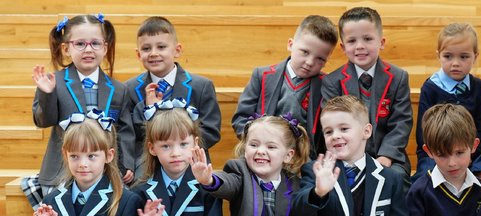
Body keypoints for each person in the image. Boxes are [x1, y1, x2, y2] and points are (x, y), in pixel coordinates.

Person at [24, 13, 135, 209]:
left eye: (95, 43)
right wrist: (47, 94)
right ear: (66, 48)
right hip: (63, 169)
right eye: (80, 44)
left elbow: (126, 131)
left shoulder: (119, 89)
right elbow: (42, 120)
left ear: (105, 47)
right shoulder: (52, 82)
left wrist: (127, 163)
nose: (88, 49)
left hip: (105, 169)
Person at [321, 7, 413, 185]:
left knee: (394, 178)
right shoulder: (332, 82)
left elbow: (401, 123)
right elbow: (332, 124)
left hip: (387, 157)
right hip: (346, 156)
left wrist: (386, 156)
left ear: (381, 42)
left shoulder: (398, 77)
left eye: (368, 39)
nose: (360, 46)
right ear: (343, 47)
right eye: (352, 41)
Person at [126, 16, 222, 176]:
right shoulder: (129, 88)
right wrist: (149, 111)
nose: (153, 53)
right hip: (147, 167)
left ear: (177, 50)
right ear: (138, 54)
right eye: (146, 49)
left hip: (191, 164)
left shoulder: (201, 86)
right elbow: (131, 134)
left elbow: (211, 131)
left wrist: (182, 149)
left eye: (161, 47)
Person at [232, 15, 338, 158]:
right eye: (305, 52)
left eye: (320, 59)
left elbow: (329, 128)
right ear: (290, 44)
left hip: (304, 160)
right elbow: (241, 118)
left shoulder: (326, 85)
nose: (309, 62)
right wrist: (256, 142)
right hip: (261, 156)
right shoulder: (262, 75)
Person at [413, 23, 481, 187]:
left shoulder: (480, 89)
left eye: (464, 57)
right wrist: (441, 155)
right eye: (448, 56)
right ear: (439, 55)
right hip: (436, 154)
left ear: (475, 56)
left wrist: (467, 155)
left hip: (470, 153)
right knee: (426, 180)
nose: (456, 63)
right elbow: (422, 133)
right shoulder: (431, 88)